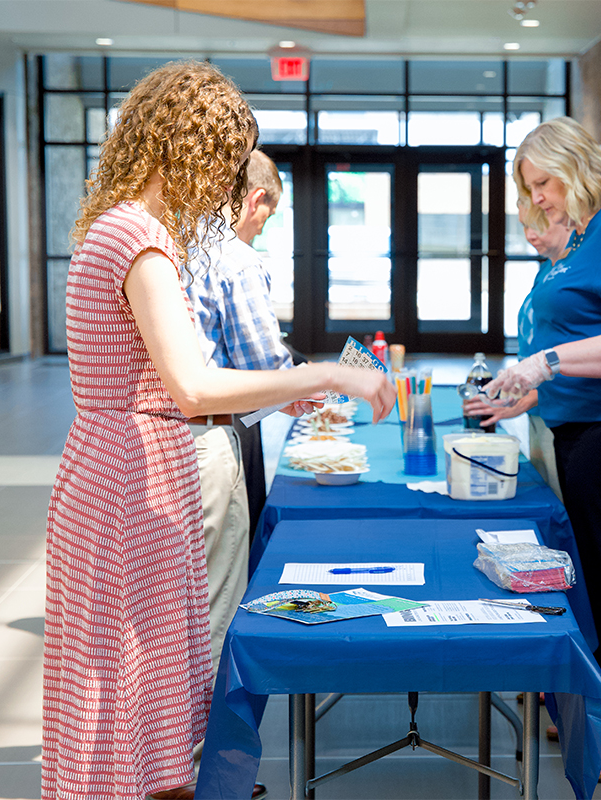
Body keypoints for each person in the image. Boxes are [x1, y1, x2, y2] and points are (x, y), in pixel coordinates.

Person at [42, 61, 394, 800]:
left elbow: (177, 383)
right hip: (130, 482)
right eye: (225, 165)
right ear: (190, 150)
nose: (227, 188)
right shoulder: (141, 238)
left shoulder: (116, 225)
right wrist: (325, 374)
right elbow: (193, 386)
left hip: (122, 471)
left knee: (136, 687)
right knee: (133, 690)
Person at [484, 116, 601, 784]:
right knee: (593, 580)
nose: (537, 198)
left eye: (543, 182)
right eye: (529, 186)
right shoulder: (587, 239)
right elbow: (590, 353)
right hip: (585, 429)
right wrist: (527, 392)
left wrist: (547, 362)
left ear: (575, 167)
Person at [185, 149, 293, 673]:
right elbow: (264, 373)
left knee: (171, 601)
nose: (262, 228)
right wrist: (311, 381)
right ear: (254, 200)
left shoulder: (174, 245)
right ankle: (206, 744)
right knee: (215, 604)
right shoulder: (236, 259)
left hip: (148, 443)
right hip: (203, 442)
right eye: (267, 216)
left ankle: (162, 741)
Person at [462, 197, 571, 497]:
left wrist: (532, 395)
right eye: (524, 226)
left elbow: (577, 355)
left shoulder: (573, 276)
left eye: (538, 225)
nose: (530, 235)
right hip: (543, 407)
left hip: (564, 409)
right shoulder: (547, 270)